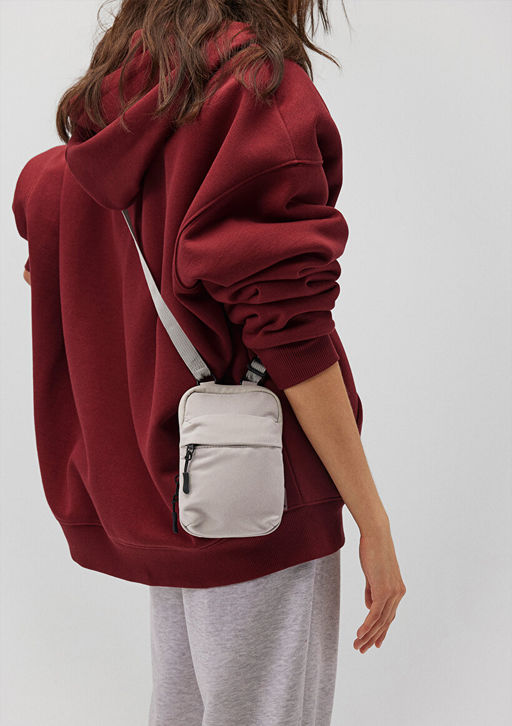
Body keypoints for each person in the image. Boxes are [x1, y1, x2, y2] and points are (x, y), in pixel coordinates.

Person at [13, 2, 406, 724]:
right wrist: (372, 518)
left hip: (167, 487)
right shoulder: (255, 93)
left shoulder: (120, 105)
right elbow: (290, 331)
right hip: (258, 498)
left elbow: (48, 213)